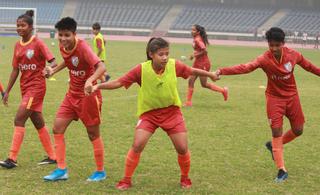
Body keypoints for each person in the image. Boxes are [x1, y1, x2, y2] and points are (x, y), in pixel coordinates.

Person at [88, 37, 220, 190]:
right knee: (137, 145)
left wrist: (210, 75)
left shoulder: (174, 65)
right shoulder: (141, 69)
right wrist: (97, 87)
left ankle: (185, 178)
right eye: (161, 54)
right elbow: (119, 82)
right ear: (151, 54)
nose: (165, 57)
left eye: (167, 54)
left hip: (172, 113)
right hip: (149, 115)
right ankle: (126, 180)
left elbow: (192, 71)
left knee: (182, 148)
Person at [215, 27, 320, 182]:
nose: (274, 49)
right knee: (277, 131)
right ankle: (281, 170)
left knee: (298, 130)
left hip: (292, 98)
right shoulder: (264, 59)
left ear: (283, 44)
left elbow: (310, 67)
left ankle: (273, 146)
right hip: (274, 99)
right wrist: (222, 71)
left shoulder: (294, 55)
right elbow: (245, 68)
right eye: (271, 45)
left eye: (277, 45)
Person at [43, 17, 107, 182]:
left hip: (88, 96)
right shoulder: (63, 46)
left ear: (74, 34)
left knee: (93, 134)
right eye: (61, 35)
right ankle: (61, 170)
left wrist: (89, 80)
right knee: (57, 128)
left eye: (67, 35)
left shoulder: (83, 47)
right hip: (71, 95)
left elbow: (102, 67)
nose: (63, 39)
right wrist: (53, 71)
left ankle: (100, 171)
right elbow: (67, 61)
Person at [0, 10, 57, 169]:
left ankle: (12, 159)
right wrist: (7, 91)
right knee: (37, 121)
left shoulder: (38, 43)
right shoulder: (17, 45)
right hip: (25, 89)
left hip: (36, 88)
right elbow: (15, 70)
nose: (19, 28)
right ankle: (53, 156)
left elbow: (53, 62)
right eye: (18, 25)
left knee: (19, 119)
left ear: (31, 27)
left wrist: (49, 70)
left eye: (23, 25)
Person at [184, 24, 228, 107]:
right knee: (191, 81)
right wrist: (194, 54)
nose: (191, 31)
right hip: (197, 63)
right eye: (191, 29)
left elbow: (204, 51)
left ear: (198, 32)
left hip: (203, 63)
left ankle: (223, 91)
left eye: (193, 30)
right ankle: (188, 102)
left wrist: (194, 55)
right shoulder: (196, 39)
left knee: (204, 84)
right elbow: (199, 50)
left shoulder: (198, 40)